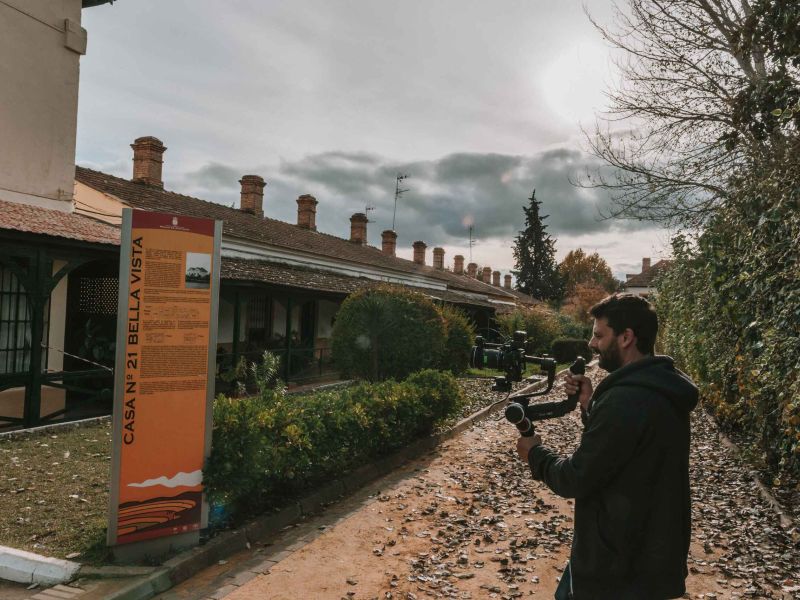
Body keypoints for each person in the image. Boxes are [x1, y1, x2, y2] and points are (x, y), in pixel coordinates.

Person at [515, 293, 698, 599]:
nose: (591, 343)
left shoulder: (625, 400)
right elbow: (624, 450)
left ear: (626, 337)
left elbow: (576, 477)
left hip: (616, 567)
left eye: (599, 335)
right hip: (651, 556)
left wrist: (535, 454)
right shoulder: (661, 388)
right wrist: (590, 406)